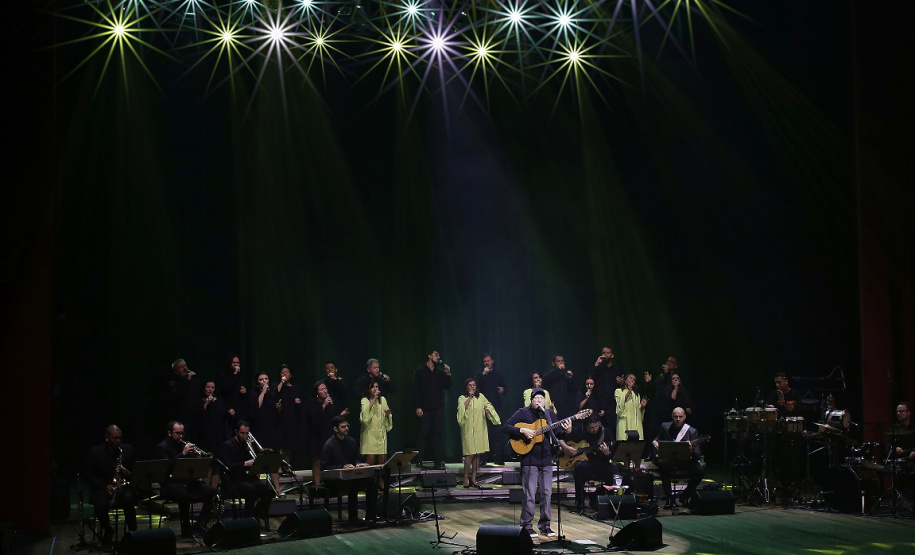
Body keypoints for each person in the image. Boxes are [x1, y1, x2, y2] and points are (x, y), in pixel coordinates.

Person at [501, 389, 571, 538]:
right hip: (529, 459)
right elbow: (505, 427)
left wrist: (567, 431)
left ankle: (545, 525)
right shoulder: (523, 413)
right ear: (531, 400)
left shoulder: (550, 414)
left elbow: (557, 433)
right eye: (536, 398)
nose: (539, 400)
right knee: (530, 494)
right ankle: (526, 525)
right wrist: (522, 430)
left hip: (546, 459)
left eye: (541, 398)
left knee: (546, 493)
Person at [153, 421, 217, 537]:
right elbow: (167, 467)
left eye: (182, 433)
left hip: (186, 482)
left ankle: (200, 524)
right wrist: (183, 454)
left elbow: (192, 467)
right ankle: (186, 529)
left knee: (211, 491)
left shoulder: (183, 445)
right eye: (178, 433)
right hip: (170, 485)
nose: (181, 436)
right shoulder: (162, 448)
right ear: (169, 433)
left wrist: (195, 457)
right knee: (184, 495)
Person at [216, 420, 273, 529]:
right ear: (236, 432)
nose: (245, 436)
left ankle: (256, 516)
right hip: (233, 480)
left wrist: (251, 451)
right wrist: (244, 464)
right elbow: (227, 467)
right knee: (252, 489)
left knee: (269, 489)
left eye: (247, 433)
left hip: (246, 478)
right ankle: (248, 521)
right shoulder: (227, 445)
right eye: (242, 433)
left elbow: (254, 462)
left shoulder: (247, 445)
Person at [85, 425, 137, 543]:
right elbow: (89, 475)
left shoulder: (128, 450)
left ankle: (134, 532)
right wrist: (104, 486)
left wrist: (128, 473)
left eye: (120, 438)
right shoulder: (95, 452)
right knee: (100, 504)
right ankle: (107, 529)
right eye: (115, 438)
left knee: (129, 498)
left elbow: (136, 472)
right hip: (103, 487)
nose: (118, 441)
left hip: (122, 486)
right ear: (107, 437)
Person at [320, 416, 374, 522]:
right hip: (334, 481)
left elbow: (357, 458)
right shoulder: (329, 445)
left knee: (371, 483)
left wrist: (359, 464)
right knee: (352, 485)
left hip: (350, 478)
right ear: (335, 429)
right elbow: (324, 467)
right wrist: (341, 467)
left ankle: (370, 517)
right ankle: (353, 518)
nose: (346, 428)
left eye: (347, 426)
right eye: (343, 427)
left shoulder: (351, 441)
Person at [652, 407, 705, 509]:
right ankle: (670, 498)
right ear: (672, 417)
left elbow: (697, 454)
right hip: (670, 460)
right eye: (676, 417)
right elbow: (656, 439)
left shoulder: (692, 431)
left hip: (686, 461)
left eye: (680, 417)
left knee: (700, 471)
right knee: (663, 465)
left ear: (684, 417)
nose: (678, 419)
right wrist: (655, 443)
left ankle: (685, 496)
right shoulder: (665, 427)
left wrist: (691, 450)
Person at [559, 414, 613, 511]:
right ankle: (580, 501)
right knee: (580, 467)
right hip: (587, 464)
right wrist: (567, 448)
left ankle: (603, 500)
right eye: (591, 428)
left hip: (601, 463)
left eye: (596, 426)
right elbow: (561, 440)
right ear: (586, 427)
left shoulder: (606, 432)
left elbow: (611, 453)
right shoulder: (580, 431)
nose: (595, 429)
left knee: (613, 470)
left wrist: (607, 453)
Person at [457, 378, 501, 488]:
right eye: (470, 385)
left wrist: (488, 411)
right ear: (466, 387)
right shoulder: (462, 398)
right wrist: (470, 397)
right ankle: (466, 477)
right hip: (468, 430)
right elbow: (461, 409)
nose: (472, 387)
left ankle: (474, 478)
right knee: (469, 454)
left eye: (474, 385)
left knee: (477, 455)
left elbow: (489, 406)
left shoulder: (481, 397)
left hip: (479, 429)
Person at [412, 349, 452, 469]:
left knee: (438, 434)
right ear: (429, 356)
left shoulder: (440, 373)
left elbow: (447, 386)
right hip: (425, 408)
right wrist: (418, 406)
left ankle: (438, 460)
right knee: (423, 434)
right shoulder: (420, 372)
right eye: (436, 355)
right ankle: (419, 459)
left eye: (438, 355)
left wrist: (448, 374)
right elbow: (416, 390)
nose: (438, 357)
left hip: (438, 408)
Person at [304, 380, 348, 485]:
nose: (325, 391)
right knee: (317, 460)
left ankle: (330, 483)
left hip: (327, 434)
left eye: (325, 389)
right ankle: (317, 484)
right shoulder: (312, 402)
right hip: (316, 435)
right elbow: (314, 419)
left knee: (330, 459)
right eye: (322, 389)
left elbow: (331, 419)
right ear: (316, 392)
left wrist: (340, 415)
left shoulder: (330, 404)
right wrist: (324, 405)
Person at [247, 372, 282, 495]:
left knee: (273, 460)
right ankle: (257, 489)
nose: (264, 381)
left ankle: (277, 489)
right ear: (257, 382)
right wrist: (262, 392)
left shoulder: (272, 394)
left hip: (271, 430)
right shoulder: (253, 394)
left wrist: (278, 408)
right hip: (259, 430)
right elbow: (256, 408)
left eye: (266, 379)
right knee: (259, 460)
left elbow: (275, 413)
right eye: (261, 379)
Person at [474, 353, 507, 465]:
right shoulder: (480, 374)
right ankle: (484, 458)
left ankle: (498, 457)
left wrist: (502, 390)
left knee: (498, 432)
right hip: (484, 407)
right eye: (484, 362)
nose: (486, 363)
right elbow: (475, 387)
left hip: (496, 407)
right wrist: (483, 375)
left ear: (492, 361)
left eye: (488, 361)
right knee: (484, 432)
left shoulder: (498, 374)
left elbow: (504, 388)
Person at [275, 365, 303, 471]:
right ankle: (278, 469)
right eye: (283, 372)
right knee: (280, 445)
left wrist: (298, 403)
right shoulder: (278, 386)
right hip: (281, 419)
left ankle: (287, 467)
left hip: (292, 419)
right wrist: (282, 382)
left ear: (290, 375)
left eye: (287, 372)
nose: (285, 374)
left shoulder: (295, 388)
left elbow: (300, 403)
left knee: (289, 446)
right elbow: (276, 393)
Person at [360, 380, 393, 466]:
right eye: (373, 387)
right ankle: (369, 479)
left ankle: (381, 480)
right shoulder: (365, 400)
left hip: (381, 434)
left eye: (377, 387)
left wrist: (387, 414)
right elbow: (364, 417)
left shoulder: (382, 400)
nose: (375, 389)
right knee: (370, 460)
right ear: (368, 390)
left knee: (382, 461)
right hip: (369, 434)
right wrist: (374, 399)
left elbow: (387, 415)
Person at [646, 357, 679, 441]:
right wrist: (649, 383)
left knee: (667, 433)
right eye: (668, 361)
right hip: (657, 410)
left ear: (676, 366)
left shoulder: (675, 378)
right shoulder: (660, 377)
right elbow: (653, 391)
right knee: (654, 432)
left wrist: (667, 373)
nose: (669, 362)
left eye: (672, 362)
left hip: (668, 410)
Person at [593, 347, 624, 430]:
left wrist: (622, 383)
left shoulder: (617, 370)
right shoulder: (598, 369)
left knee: (613, 429)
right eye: (604, 353)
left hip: (613, 404)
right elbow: (591, 379)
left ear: (612, 355)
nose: (605, 354)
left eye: (608, 353)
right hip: (600, 403)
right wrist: (597, 363)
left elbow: (623, 387)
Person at [885, 401, 915, 475]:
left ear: (908, 413)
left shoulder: (913, 429)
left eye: (901, 411)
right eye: (897, 412)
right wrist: (895, 448)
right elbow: (886, 443)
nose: (898, 413)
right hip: (899, 462)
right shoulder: (894, 430)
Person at [615, 373, 648, 440]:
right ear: (625, 380)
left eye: (634, 379)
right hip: (625, 421)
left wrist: (642, 407)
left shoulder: (636, 395)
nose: (632, 380)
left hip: (635, 423)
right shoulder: (618, 391)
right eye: (630, 378)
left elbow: (639, 412)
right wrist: (629, 391)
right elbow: (620, 404)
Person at [217, 355, 247, 422]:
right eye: (234, 362)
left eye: (238, 363)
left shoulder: (241, 376)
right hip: (227, 404)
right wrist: (235, 374)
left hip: (238, 405)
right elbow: (226, 388)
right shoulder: (224, 375)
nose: (236, 364)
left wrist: (244, 391)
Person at [544, 355, 576, 420]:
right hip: (554, 405)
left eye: (562, 361)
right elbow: (546, 380)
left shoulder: (565, 375)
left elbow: (574, 389)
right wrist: (558, 369)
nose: (561, 363)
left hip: (565, 406)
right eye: (558, 361)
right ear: (553, 363)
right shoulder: (549, 373)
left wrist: (570, 379)